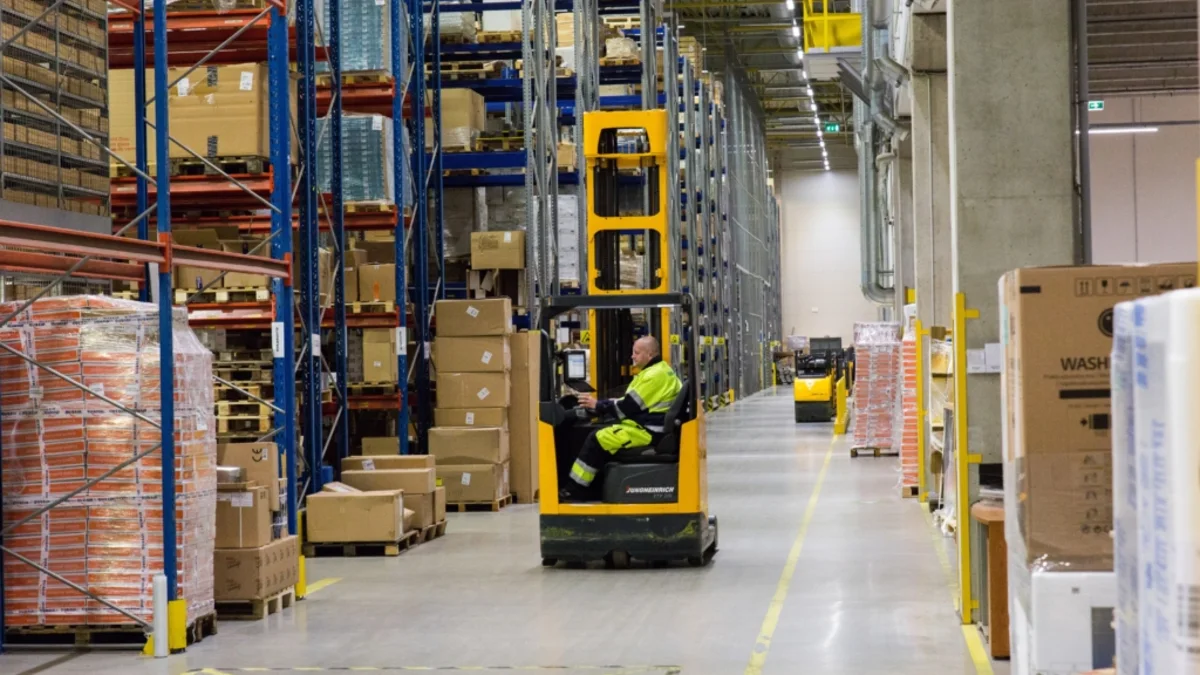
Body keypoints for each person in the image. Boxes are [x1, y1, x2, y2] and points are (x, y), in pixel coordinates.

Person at [562, 335, 682, 501]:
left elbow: (626, 408)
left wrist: (597, 406)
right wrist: (604, 404)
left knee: (597, 438)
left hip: (648, 431)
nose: (632, 356)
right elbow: (631, 402)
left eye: (636, 352)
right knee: (599, 432)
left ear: (649, 355)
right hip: (650, 426)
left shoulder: (653, 376)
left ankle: (575, 490)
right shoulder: (659, 371)